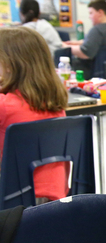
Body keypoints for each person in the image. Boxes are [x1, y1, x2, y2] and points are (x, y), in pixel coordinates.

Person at [0, 27, 69, 204]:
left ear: (8, 66)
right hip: (53, 200)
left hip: (13, 203)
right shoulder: (56, 103)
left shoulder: (5, 105)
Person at [63, 0, 106, 79]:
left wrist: (65, 46)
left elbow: (85, 53)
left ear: (100, 12)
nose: (89, 16)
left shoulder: (97, 30)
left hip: (94, 73)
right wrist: (75, 43)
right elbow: (96, 43)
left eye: (91, 13)